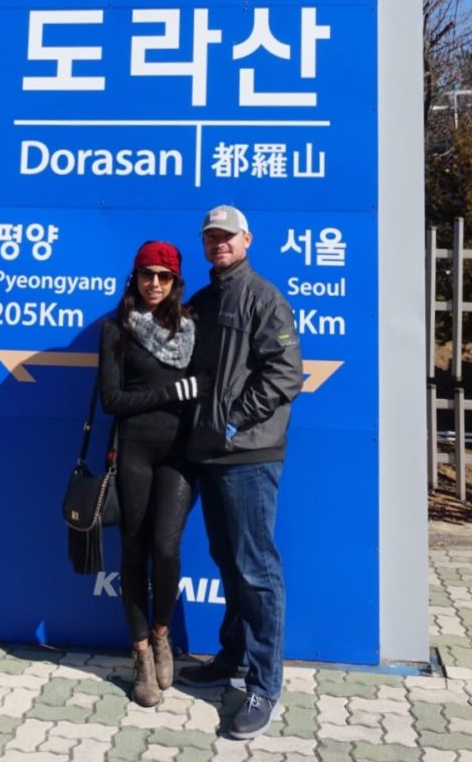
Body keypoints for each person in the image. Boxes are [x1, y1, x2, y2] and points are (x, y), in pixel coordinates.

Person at [178, 205, 303, 740]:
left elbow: (286, 374)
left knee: (256, 570)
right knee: (228, 561)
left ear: (247, 239)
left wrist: (232, 420)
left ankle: (263, 685)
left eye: (228, 236)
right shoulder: (203, 301)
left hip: (249, 455)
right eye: (212, 236)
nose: (220, 243)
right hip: (208, 454)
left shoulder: (264, 297)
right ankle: (232, 656)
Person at [98, 240, 210, 708]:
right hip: (134, 451)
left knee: (166, 549)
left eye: (164, 276)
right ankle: (141, 653)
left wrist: (190, 390)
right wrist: (170, 393)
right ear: (135, 278)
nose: (155, 284)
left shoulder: (192, 327)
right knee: (134, 551)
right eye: (147, 274)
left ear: (176, 282)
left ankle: (162, 634)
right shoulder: (115, 328)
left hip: (180, 454)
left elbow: (205, 384)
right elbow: (112, 400)